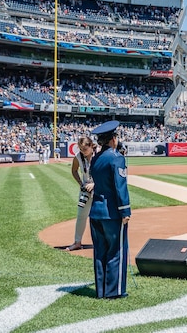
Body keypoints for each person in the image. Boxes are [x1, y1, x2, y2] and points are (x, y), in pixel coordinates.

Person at [89, 120, 131, 299]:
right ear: (113, 139)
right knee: (116, 251)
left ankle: (101, 291)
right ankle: (114, 291)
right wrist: (125, 211)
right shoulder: (116, 158)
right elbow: (120, 186)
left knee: (100, 252)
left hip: (95, 211)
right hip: (112, 212)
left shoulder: (96, 158)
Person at [66, 136, 95, 252]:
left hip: (100, 189)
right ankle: (77, 242)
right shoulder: (78, 156)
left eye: (85, 149)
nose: (83, 152)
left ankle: (103, 243)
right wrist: (81, 183)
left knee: (98, 216)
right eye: (81, 149)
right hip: (86, 191)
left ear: (91, 146)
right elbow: (73, 170)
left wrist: (95, 184)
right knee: (81, 216)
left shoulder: (99, 155)